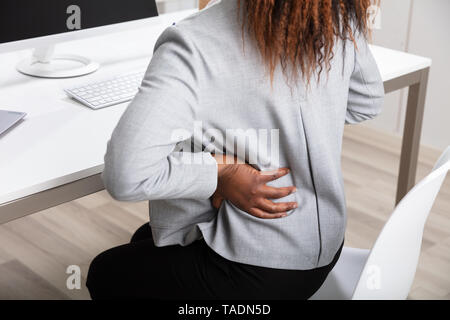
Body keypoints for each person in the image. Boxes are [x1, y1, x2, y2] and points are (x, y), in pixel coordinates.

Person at [87, 0, 384, 299]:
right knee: (144, 237)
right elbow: (366, 101)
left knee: (104, 272)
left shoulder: (195, 40)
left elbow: (126, 175)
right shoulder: (335, 16)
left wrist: (221, 171)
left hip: (257, 271)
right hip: (327, 250)